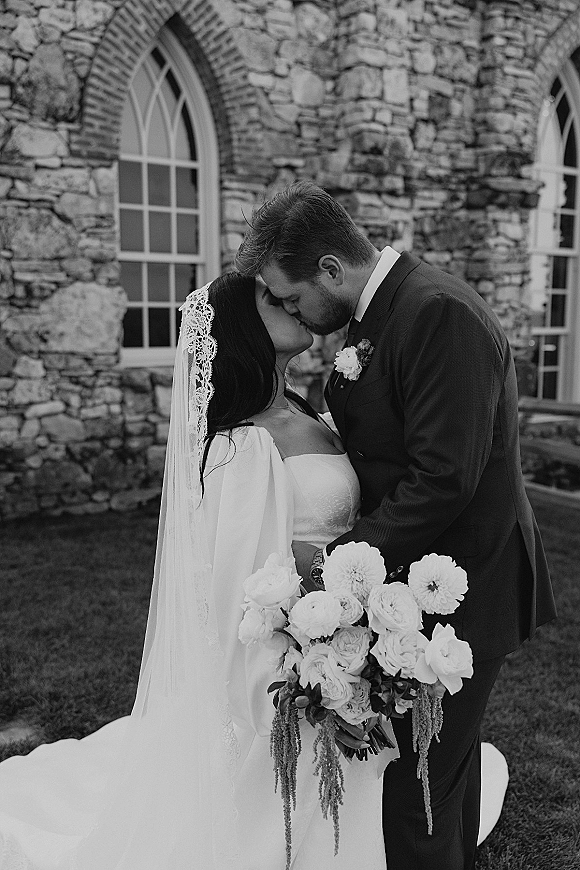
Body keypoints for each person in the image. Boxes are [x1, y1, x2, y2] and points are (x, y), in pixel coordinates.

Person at [0, 272, 508, 870]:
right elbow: (238, 587)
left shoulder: (303, 408)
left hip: (348, 622)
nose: (294, 303)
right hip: (296, 651)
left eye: (289, 291)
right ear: (243, 327)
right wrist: (318, 660)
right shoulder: (241, 448)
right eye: (274, 300)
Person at [234, 180, 557, 870]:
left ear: (330, 268)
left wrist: (336, 570)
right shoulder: (383, 316)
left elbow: (445, 476)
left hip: (468, 583)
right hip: (425, 587)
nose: (295, 313)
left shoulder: (436, 312)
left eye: (293, 298)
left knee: (420, 789)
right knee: (444, 772)